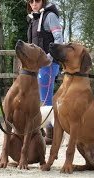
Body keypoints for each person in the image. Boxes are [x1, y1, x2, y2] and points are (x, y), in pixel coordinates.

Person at [26, 0, 64, 145]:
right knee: (37, 98)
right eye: (31, 1)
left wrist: (49, 58)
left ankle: (52, 133)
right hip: (35, 66)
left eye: (37, 1)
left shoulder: (50, 17)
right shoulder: (32, 18)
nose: (34, 4)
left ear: (43, 1)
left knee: (46, 99)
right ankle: (41, 129)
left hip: (47, 65)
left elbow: (58, 39)